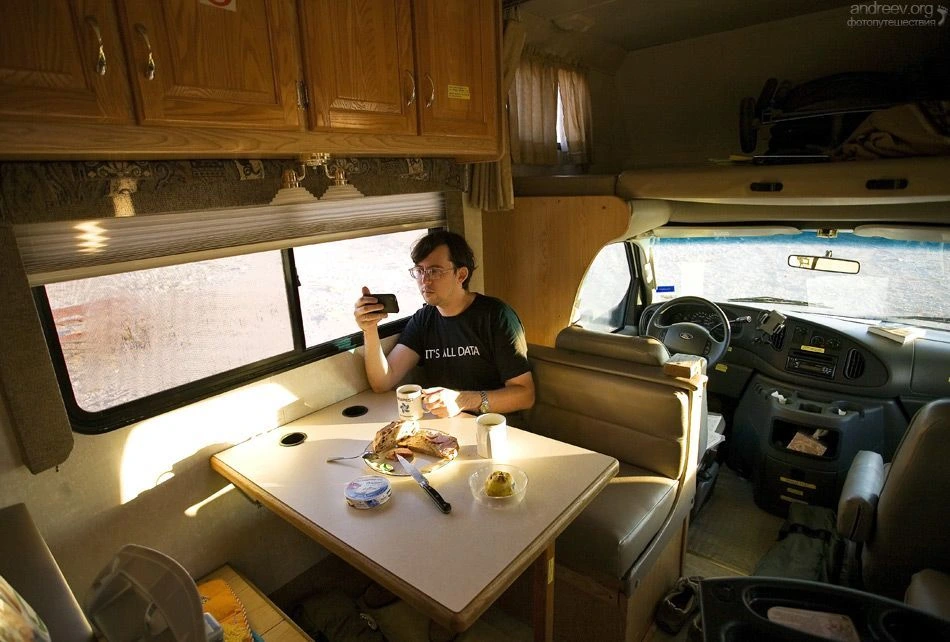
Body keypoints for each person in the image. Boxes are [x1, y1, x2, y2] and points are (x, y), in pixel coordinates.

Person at [354, 230, 534, 418]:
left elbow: (525, 395)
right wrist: (369, 329)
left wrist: (463, 400)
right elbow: (382, 382)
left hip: (490, 425)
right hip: (443, 425)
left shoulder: (496, 316)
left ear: (461, 275)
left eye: (435, 271)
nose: (425, 280)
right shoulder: (423, 320)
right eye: (419, 271)